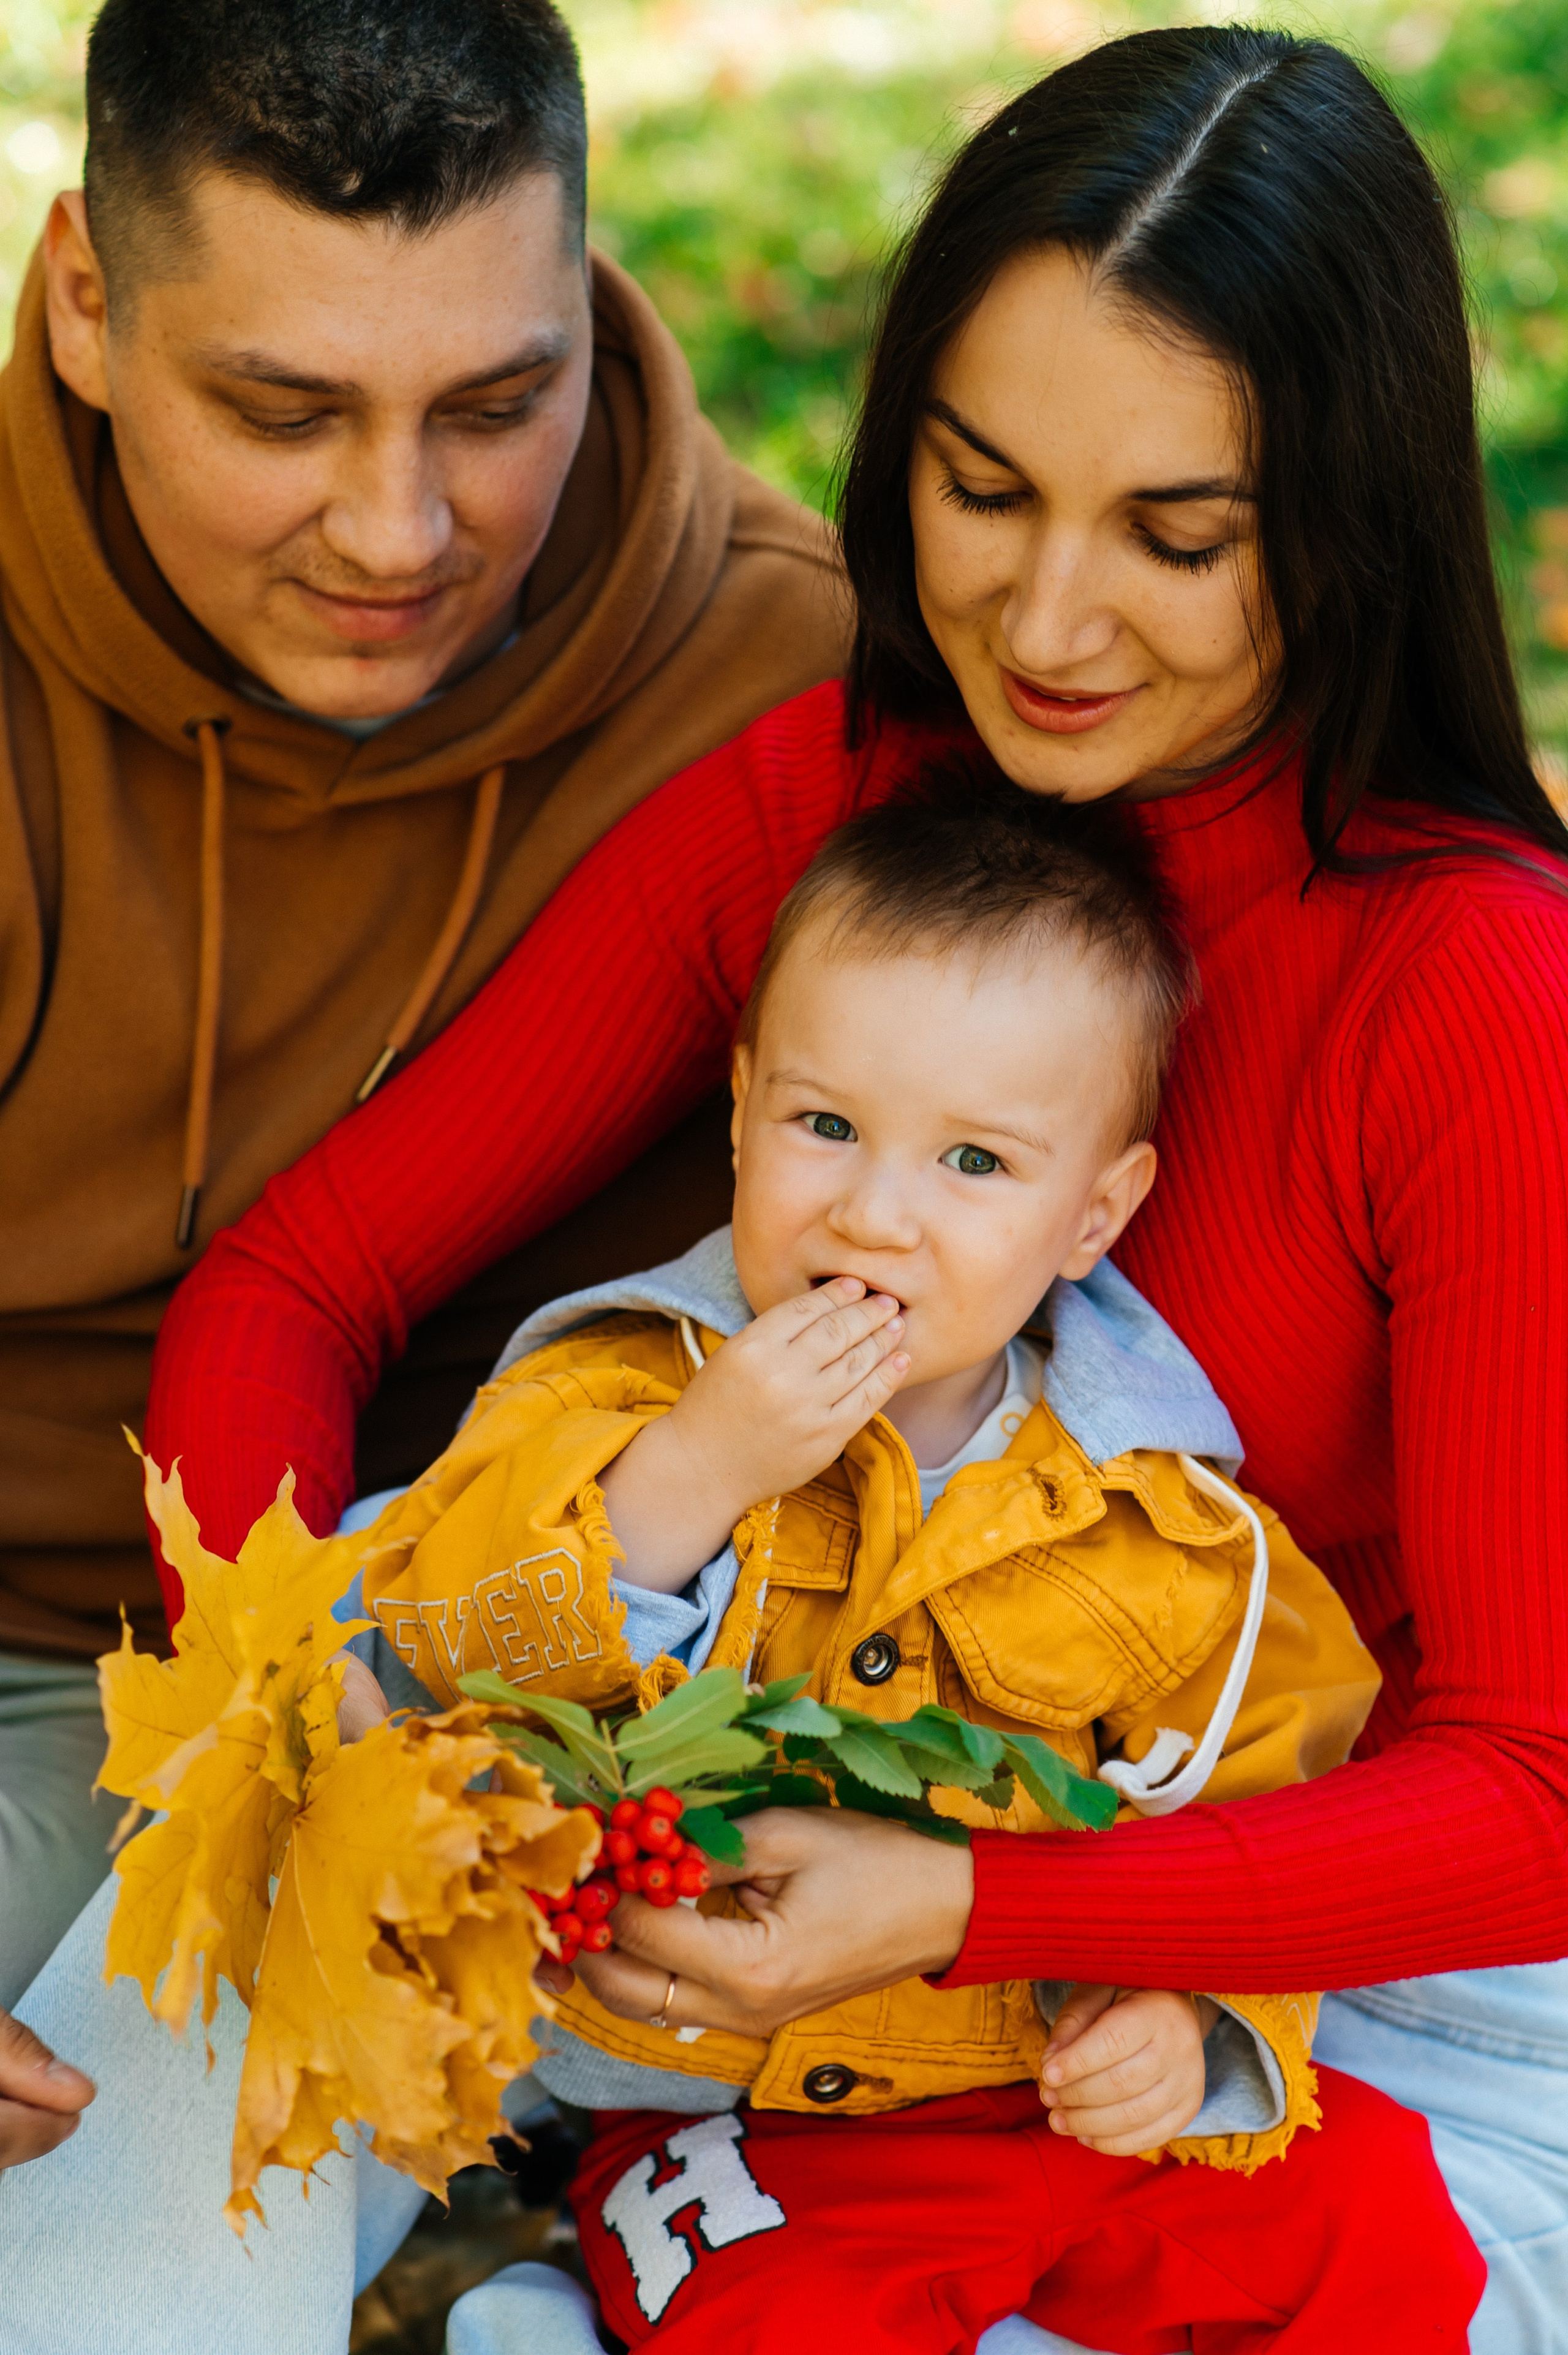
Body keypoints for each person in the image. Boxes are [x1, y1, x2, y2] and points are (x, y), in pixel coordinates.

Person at [7, 20, 1564, 2355]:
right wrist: (302, 1757)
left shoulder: (1471, 986)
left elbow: (1530, 1789)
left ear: (1348, 519)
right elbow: (303, 1279)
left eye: (1179, 536)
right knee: (115, 2225)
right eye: (978, 485)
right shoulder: (838, 802)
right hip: (678, 1857)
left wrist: (967, 1899)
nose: (1045, 625)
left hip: (1257, 1989)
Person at [0, 0, 844, 2155]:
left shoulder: (803, 702)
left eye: (496, 401)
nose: (397, 535)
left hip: (542, 1710)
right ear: (88, 300)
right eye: (280, 411)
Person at [349, 777, 1479, 2349]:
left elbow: (1265, 1816)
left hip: (1046, 2090)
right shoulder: (604, 1393)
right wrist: (687, 1475)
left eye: (974, 1164)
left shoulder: (1165, 1519)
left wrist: (1192, 2011)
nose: (875, 1212)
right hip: (732, 2107)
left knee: (1382, 2217)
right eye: (823, 1126)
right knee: (778, 2316)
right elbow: (428, 1655)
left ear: (1093, 1212)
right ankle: (545, 2314)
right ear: (740, 1109)